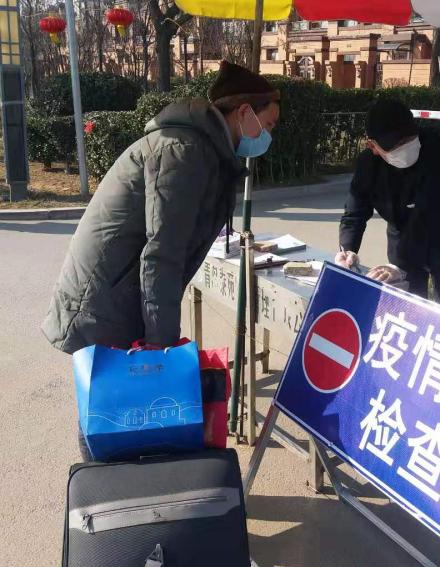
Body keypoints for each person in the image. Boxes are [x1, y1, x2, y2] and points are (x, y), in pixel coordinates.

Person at [42, 61, 280, 354]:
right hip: (103, 305)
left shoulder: (199, 148)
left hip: (114, 297)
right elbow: (163, 252)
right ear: (244, 112)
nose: (269, 135)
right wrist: (160, 342)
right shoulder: (184, 152)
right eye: (269, 125)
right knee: (125, 384)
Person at [335, 97, 440, 312]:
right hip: (403, 237)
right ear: (372, 146)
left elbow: (433, 207)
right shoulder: (369, 166)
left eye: (408, 140)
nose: (404, 147)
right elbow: (355, 213)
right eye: (395, 146)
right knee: (409, 305)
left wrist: (399, 264)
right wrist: (347, 250)